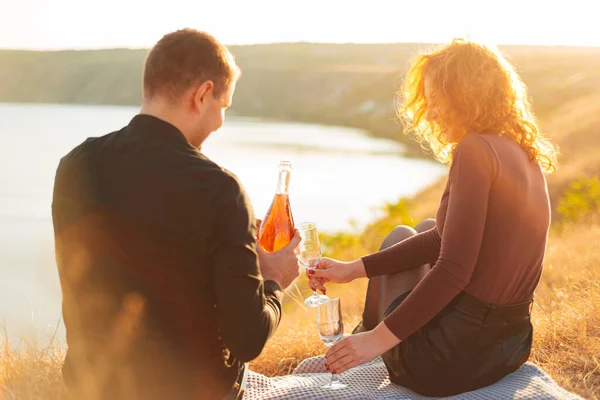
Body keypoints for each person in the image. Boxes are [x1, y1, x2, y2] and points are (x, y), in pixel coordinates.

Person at [52, 28, 301, 400]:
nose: (219, 123)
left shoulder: (74, 165)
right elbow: (247, 340)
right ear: (202, 95)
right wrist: (274, 281)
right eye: (223, 107)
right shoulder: (220, 190)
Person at [309, 38, 558, 397]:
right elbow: (444, 240)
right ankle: (365, 341)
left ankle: (361, 346)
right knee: (426, 230)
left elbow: (454, 269)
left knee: (398, 235)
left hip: (450, 359)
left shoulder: (475, 149)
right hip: (509, 346)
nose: (430, 112)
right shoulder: (523, 152)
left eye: (437, 99)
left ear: (464, 94)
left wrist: (375, 340)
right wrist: (352, 269)